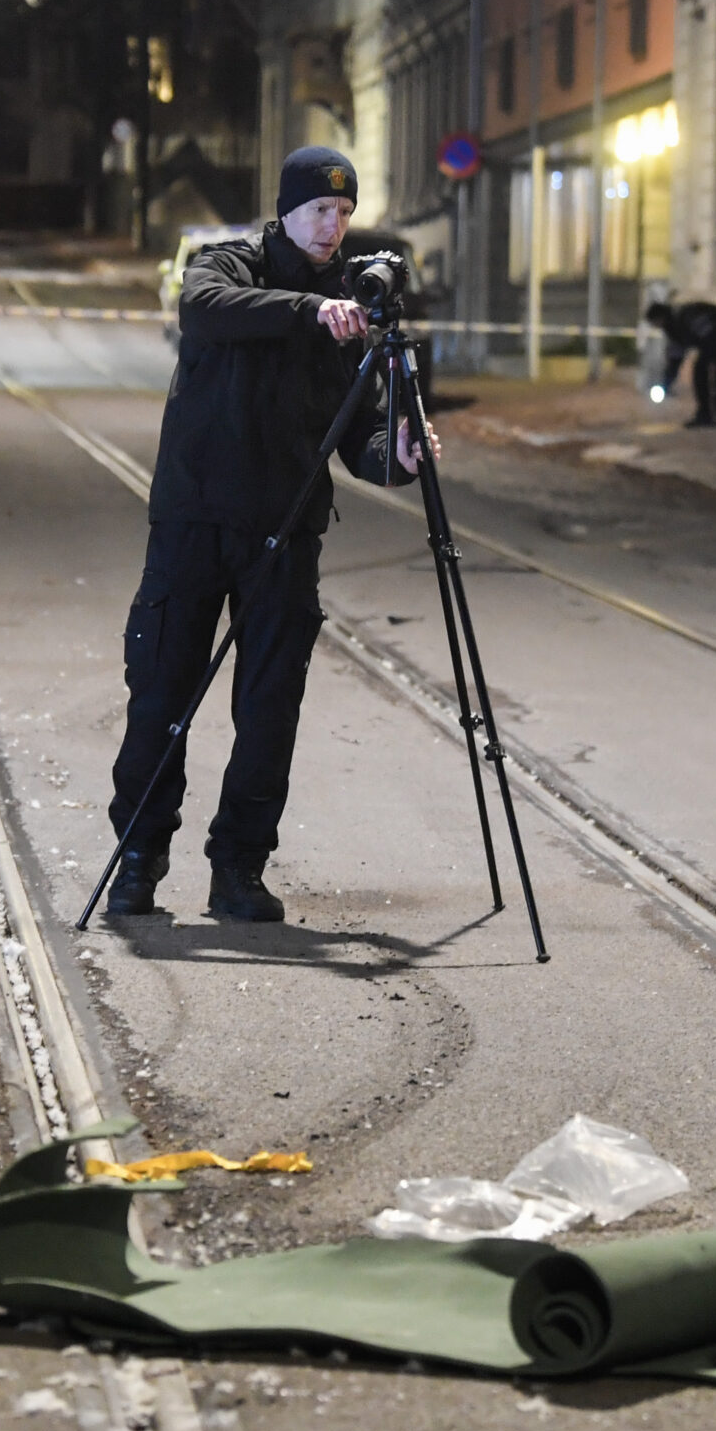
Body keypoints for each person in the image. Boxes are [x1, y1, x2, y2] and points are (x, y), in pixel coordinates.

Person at [104, 146, 431, 924]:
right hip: (193, 519)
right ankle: (140, 859)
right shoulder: (232, 266)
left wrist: (401, 458)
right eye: (321, 209)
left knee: (270, 705)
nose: (333, 226)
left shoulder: (354, 310)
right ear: (286, 209)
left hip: (285, 533)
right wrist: (307, 311)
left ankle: (239, 869)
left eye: (345, 213)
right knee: (161, 695)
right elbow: (204, 308)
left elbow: (360, 445)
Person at [644, 297, 716, 428]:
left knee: (715, 370)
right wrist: (666, 384)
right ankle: (708, 414)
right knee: (702, 369)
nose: (656, 327)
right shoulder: (673, 329)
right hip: (713, 336)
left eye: (655, 323)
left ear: (660, 317)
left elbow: (712, 335)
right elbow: (675, 360)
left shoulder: (687, 316)